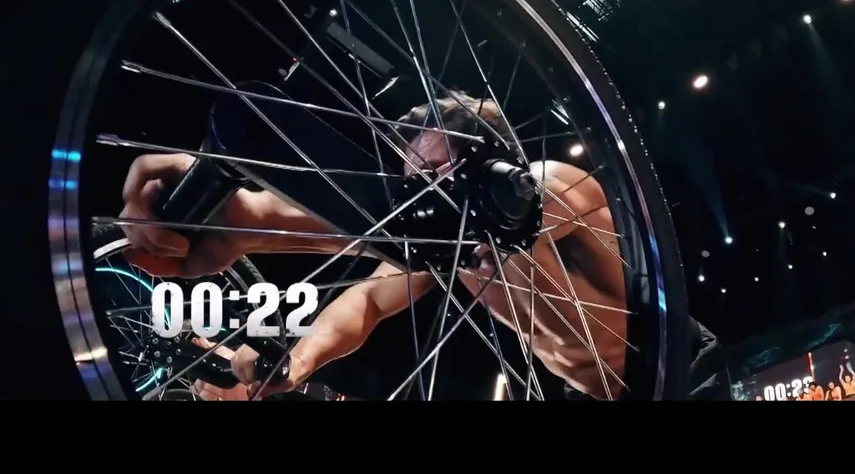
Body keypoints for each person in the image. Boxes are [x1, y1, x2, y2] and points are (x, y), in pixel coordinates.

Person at [119, 92, 725, 401]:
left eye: (432, 174)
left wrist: (260, 218)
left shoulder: (551, 185)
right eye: (411, 180)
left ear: (485, 162)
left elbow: (509, 207)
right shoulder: (444, 243)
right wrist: (296, 364)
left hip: (676, 368)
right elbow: (366, 303)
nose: (415, 196)